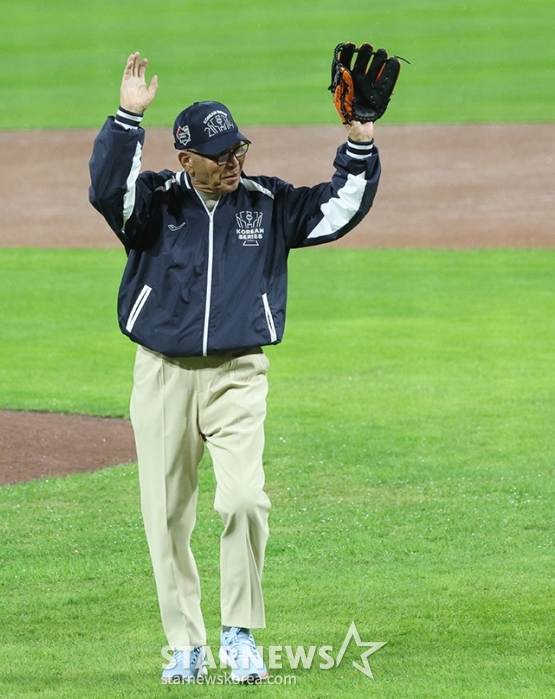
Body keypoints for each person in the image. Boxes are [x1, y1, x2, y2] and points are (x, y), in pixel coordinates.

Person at [89, 52, 380, 684]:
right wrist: (126, 119)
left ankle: (239, 632)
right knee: (167, 516)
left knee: (246, 500)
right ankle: (185, 644)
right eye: (219, 155)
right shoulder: (155, 204)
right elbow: (108, 191)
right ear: (186, 158)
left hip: (238, 375)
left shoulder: (266, 202)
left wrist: (360, 138)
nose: (233, 162)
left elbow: (338, 209)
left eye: (237, 149)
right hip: (162, 374)